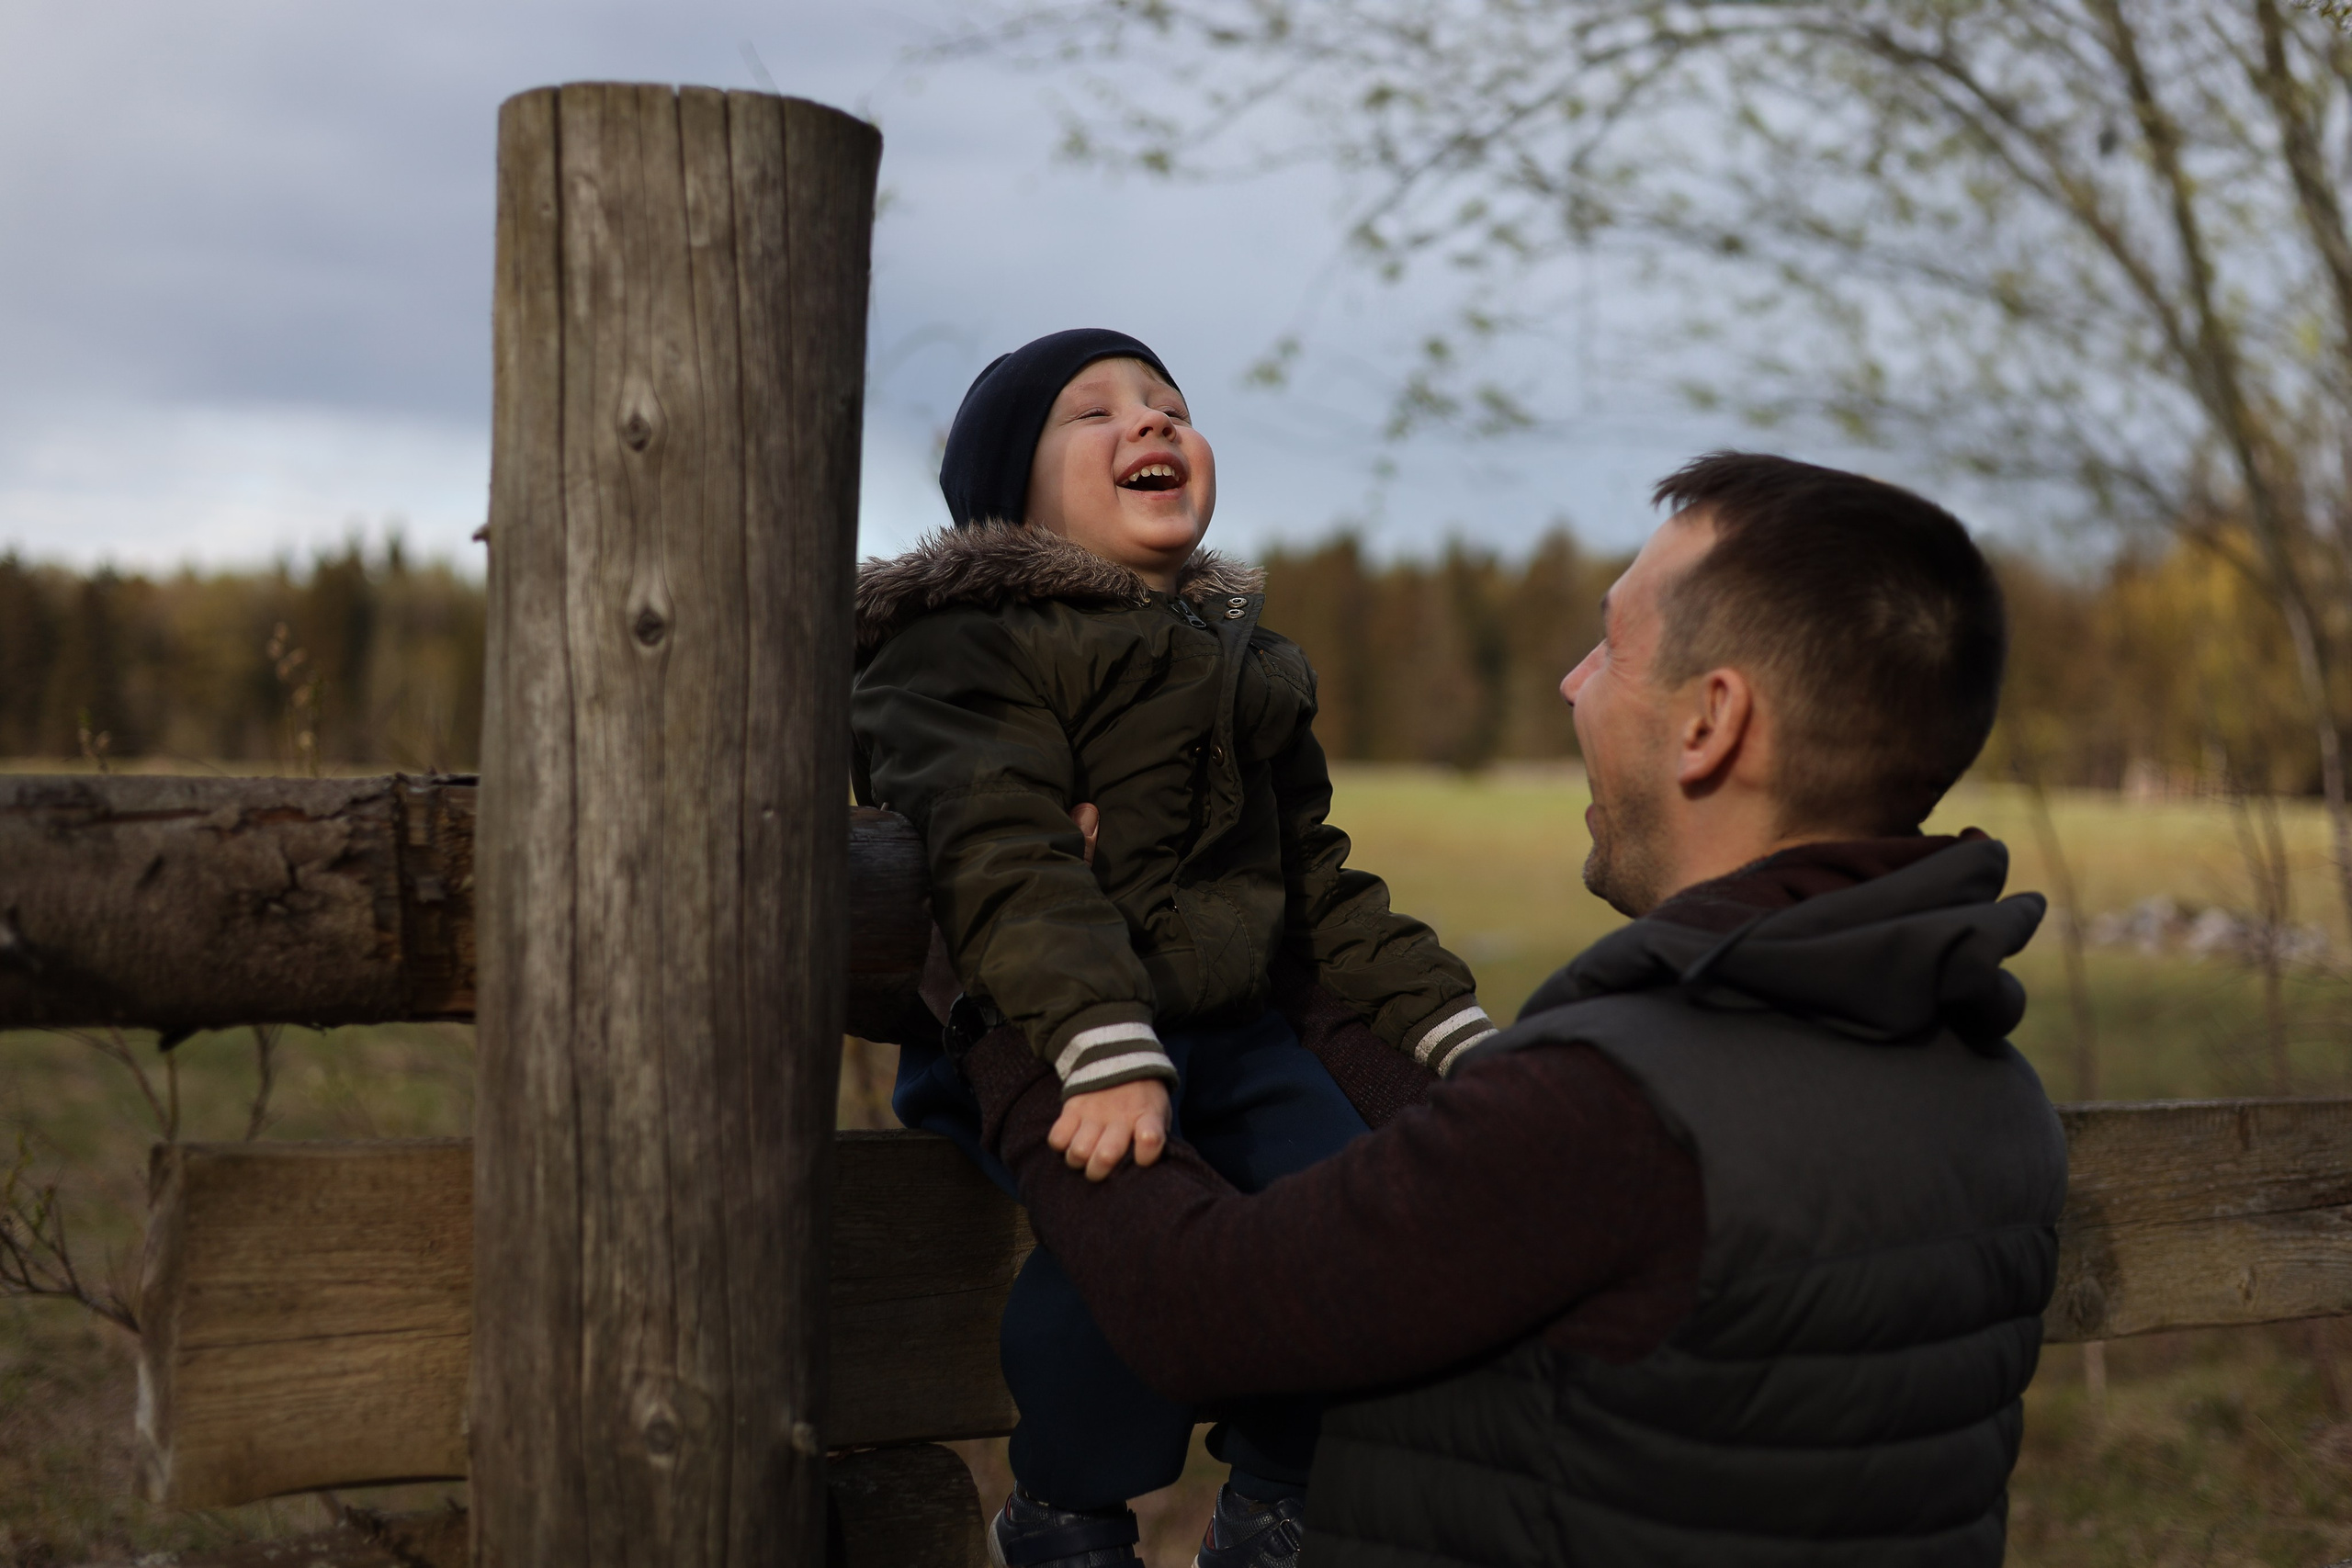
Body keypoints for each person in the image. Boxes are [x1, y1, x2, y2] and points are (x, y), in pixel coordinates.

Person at [954, 451, 2072, 1567]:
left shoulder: (1620, 1104)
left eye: (1613, 648)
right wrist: (1296, 969)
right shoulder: (1988, 1087)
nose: (1573, 683)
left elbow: (1206, 1306)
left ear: (1710, 721)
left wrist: (1008, 1009)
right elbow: (1471, 1192)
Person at [851, 328, 1497, 1568]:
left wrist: (1445, 1025)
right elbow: (1001, 847)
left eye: (1168, 404)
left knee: (1357, 1214)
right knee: (1125, 1249)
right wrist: (1102, 1039)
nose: (1148, 422)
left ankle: (1284, 1505)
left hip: (1233, 1027)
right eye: (1092, 412)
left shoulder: (1244, 668)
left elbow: (1318, 882)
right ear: (1007, 498)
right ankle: (1067, 1513)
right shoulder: (966, 644)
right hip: (1054, 1027)